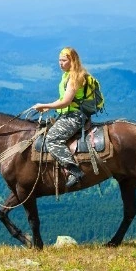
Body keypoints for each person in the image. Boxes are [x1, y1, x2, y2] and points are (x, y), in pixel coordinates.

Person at [32, 46, 89, 188]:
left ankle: (73, 171)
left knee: (52, 139)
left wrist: (46, 105)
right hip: (68, 113)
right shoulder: (67, 75)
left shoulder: (75, 77)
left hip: (75, 116)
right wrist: (47, 107)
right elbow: (63, 99)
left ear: (72, 61)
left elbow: (66, 101)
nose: (60, 63)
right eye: (59, 60)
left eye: (64, 60)